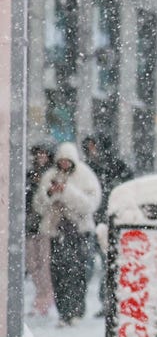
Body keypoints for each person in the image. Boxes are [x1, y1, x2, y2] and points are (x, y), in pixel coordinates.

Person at [33, 143, 101, 326]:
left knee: (78, 272)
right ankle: (64, 311)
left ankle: (76, 309)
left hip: (79, 232)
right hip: (56, 232)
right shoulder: (50, 176)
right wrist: (51, 193)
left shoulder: (85, 176)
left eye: (67, 161)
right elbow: (39, 204)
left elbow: (90, 204)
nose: (63, 164)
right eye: (61, 161)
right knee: (58, 273)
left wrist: (66, 192)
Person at [82, 134, 133, 313]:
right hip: (91, 220)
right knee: (88, 264)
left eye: (94, 146)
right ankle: (80, 303)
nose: (91, 150)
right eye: (89, 147)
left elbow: (127, 187)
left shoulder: (115, 166)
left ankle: (107, 302)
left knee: (107, 263)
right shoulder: (88, 168)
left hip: (108, 220)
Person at [25, 143, 56, 316]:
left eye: (43, 154)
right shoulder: (30, 174)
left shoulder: (51, 175)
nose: (40, 157)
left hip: (45, 225)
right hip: (30, 224)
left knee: (44, 263)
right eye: (38, 154)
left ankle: (45, 297)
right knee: (32, 263)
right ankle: (41, 294)